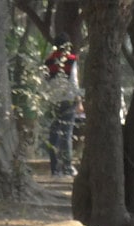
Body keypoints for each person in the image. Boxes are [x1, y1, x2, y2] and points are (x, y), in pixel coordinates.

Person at [45, 33, 82, 177]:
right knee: (66, 134)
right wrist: (79, 101)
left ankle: (55, 168)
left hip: (53, 100)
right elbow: (74, 82)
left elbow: (44, 82)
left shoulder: (49, 61)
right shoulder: (71, 60)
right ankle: (67, 167)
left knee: (53, 134)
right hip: (68, 100)